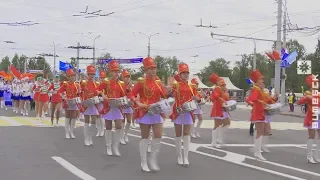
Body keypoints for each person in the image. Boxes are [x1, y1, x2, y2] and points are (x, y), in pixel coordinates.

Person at [128, 57, 170, 172]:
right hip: (145, 111)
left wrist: (169, 89)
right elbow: (131, 94)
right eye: (151, 69)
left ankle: (153, 159)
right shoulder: (141, 81)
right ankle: (143, 162)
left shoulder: (158, 82)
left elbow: (165, 94)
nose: (153, 71)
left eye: (154, 68)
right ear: (146, 70)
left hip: (156, 111)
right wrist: (138, 102)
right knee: (145, 137)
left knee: (158, 135)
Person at [170, 63, 200, 166]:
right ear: (180, 74)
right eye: (183, 73)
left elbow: (197, 96)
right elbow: (170, 93)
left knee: (186, 135)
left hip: (188, 112)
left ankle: (186, 157)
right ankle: (179, 156)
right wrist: (170, 88)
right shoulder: (175, 84)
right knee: (178, 135)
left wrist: (198, 98)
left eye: (187, 73)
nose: (186, 75)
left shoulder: (192, 86)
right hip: (178, 111)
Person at [97, 60, 125, 156]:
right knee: (108, 127)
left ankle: (115, 146)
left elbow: (124, 94)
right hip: (108, 107)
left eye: (117, 71)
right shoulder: (106, 82)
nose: (116, 73)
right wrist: (103, 95)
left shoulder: (121, 83)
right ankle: (108, 146)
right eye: (114, 71)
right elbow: (98, 90)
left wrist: (124, 99)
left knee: (119, 126)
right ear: (110, 72)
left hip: (117, 107)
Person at [297, 75, 320, 163]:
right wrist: (306, 98)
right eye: (316, 83)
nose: (317, 84)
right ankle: (309, 156)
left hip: (318, 116)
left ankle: (317, 155)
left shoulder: (318, 94)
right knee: (312, 136)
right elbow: (299, 102)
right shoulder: (308, 93)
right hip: (311, 116)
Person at [246, 70, 268, 161]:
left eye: (262, 79)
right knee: (260, 131)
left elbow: (264, 99)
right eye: (260, 79)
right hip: (258, 112)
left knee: (259, 131)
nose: (262, 80)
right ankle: (257, 152)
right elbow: (253, 98)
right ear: (257, 80)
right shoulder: (256, 88)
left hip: (260, 111)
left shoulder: (259, 89)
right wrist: (261, 102)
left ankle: (257, 150)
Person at [80, 65, 100, 146]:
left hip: (94, 105)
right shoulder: (84, 83)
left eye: (93, 74)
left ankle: (90, 137)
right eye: (90, 74)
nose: (91, 76)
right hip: (86, 105)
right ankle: (86, 138)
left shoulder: (97, 83)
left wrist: (99, 95)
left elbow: (98, 93)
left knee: (94, 122)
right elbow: (80, 92)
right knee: (87, 121)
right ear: (87, 75)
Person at [58, 68, 80, 139]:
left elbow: (79, 93)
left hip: (74, 103)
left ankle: (72, 132)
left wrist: (79, 96)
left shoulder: (77, 85)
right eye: (70, 76)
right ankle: (67, 133)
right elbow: (59, 92)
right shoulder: (65, 84)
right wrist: (64, 97)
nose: (72, 77)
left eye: (73, 76)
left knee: (73, 118)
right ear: (68, 77)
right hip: (68, 103)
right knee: (67, 117)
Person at [209, 73, 228, 148]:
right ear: (216, 82)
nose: (221, 81)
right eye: (219, 80)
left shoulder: (219, 89)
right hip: (217, 108)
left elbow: (225, 98)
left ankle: (217, 139)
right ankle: (213, 142)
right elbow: (216, 96)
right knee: (217, 125)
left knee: (220, 124)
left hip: (220, 108)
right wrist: (222, 99)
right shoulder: (217, 88)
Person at [120, 69, 133, 145]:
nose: (127, 78)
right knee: (122, 121)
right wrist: (127, 88)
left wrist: (133, 100)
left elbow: (134, 95)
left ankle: (125, 135)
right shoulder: (121, 85)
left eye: (128, 77)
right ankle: (121, 137)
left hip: (129, 106)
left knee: (129, 121)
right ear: (123, 78)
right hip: (122, 105)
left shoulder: (132, 86)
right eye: (126, 77)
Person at [95, 71, 106, 137]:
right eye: (101, 78)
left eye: (103, 78)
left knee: (102, 117)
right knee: (97, 117)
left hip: (103, 103)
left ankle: (102, 130)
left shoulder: (107, 85)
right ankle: (98, 131)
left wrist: (103, 99)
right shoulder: (97, 85)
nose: (102, 79)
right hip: (97, 102)